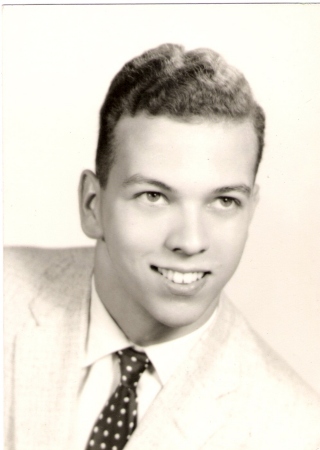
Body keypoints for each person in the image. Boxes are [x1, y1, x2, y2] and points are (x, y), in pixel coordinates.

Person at [4, 43, 320, 450]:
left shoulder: (296, 430)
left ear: (250, 211)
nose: (190, 242)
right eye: (154, 196)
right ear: (92, 205)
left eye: (225, 201)